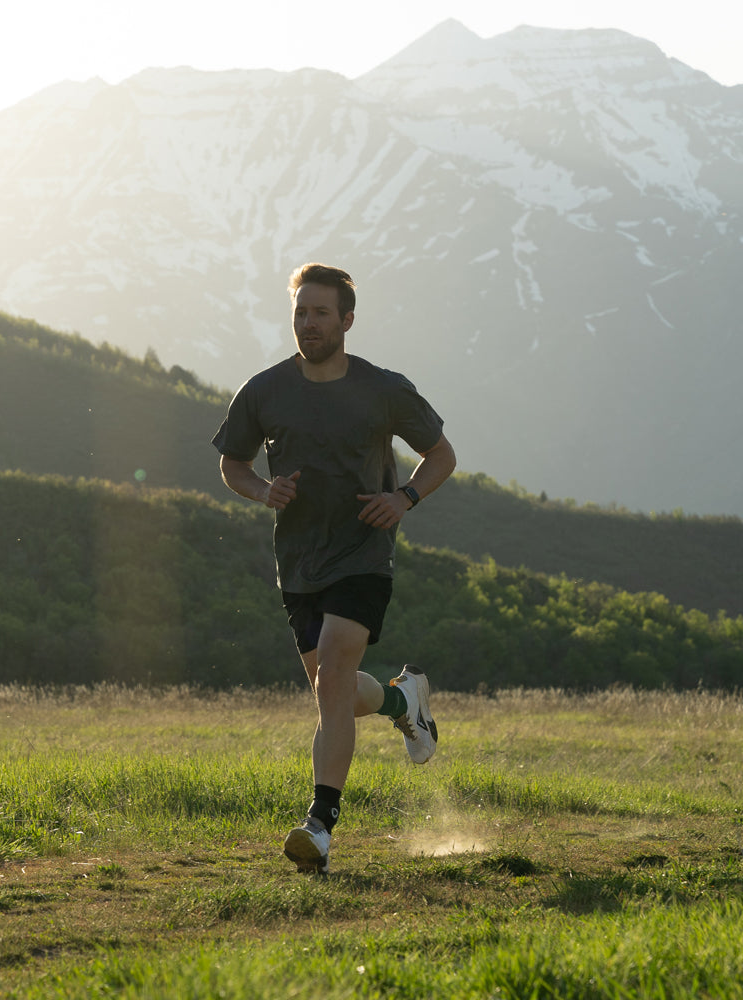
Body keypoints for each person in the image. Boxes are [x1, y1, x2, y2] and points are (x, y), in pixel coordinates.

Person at [212, 263, 457, 873]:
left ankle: (319, 827)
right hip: (298, 563)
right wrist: (260, 490)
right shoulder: (264, 389)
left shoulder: (383, 389)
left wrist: (404, 498)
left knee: (336, 678)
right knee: (334, 692)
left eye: (321, 313)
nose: (309, 323)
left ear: (348, 320)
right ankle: (405, 703)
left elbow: (441, 455)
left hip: (363, 556)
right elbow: (232, 465)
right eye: (301, 312)